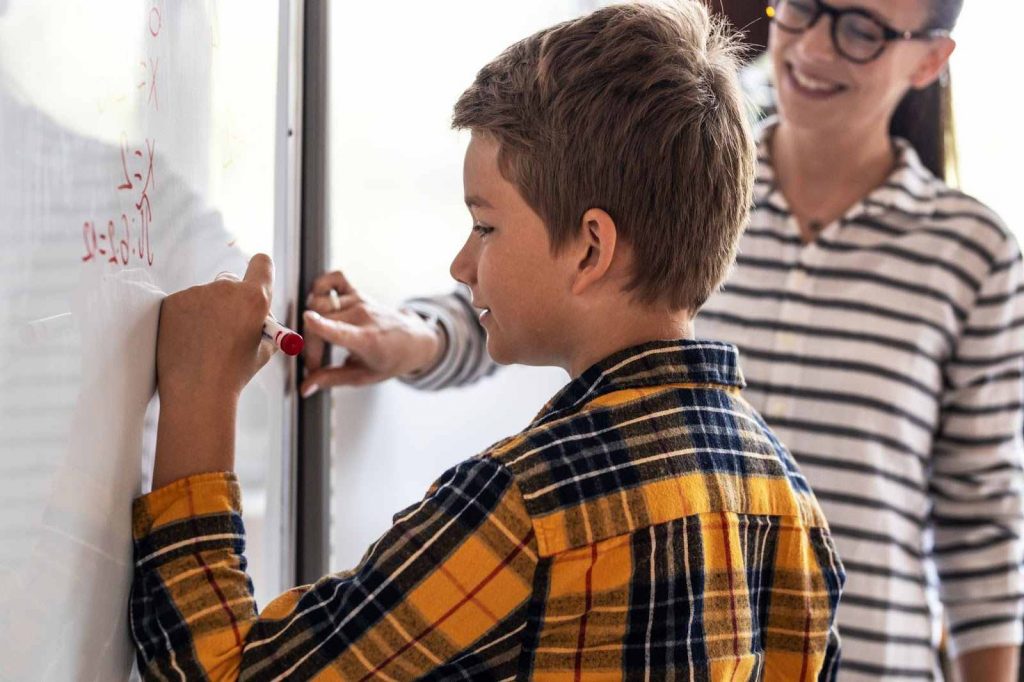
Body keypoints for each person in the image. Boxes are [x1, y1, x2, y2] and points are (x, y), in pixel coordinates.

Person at [301, 0, 1024, 680]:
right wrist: (413, 337)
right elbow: (532, 284)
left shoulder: (971, 252)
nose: (809, 45)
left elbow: (981, 524)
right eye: (801, 7)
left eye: (860, 30)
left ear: (930, 60)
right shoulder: (680, 167)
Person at [129, 3, 844, 679]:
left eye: (486, 226)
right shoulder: (790, 506)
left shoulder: (525, 508)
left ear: (592, 249)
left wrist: (198, 393)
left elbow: (225, 672)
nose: (462, 265)